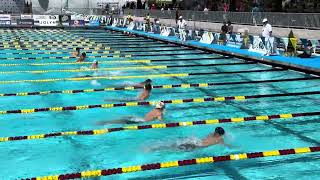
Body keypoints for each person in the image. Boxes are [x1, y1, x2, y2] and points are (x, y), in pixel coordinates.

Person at [97, 101, 165, 125]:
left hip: (139, 119)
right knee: (121, 122)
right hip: (140, 122)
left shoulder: (153, 110)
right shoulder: (159, 113)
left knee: (122, 120)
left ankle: (104, 121)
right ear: (162, 108)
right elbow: (161, 122)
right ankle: (104, 122)